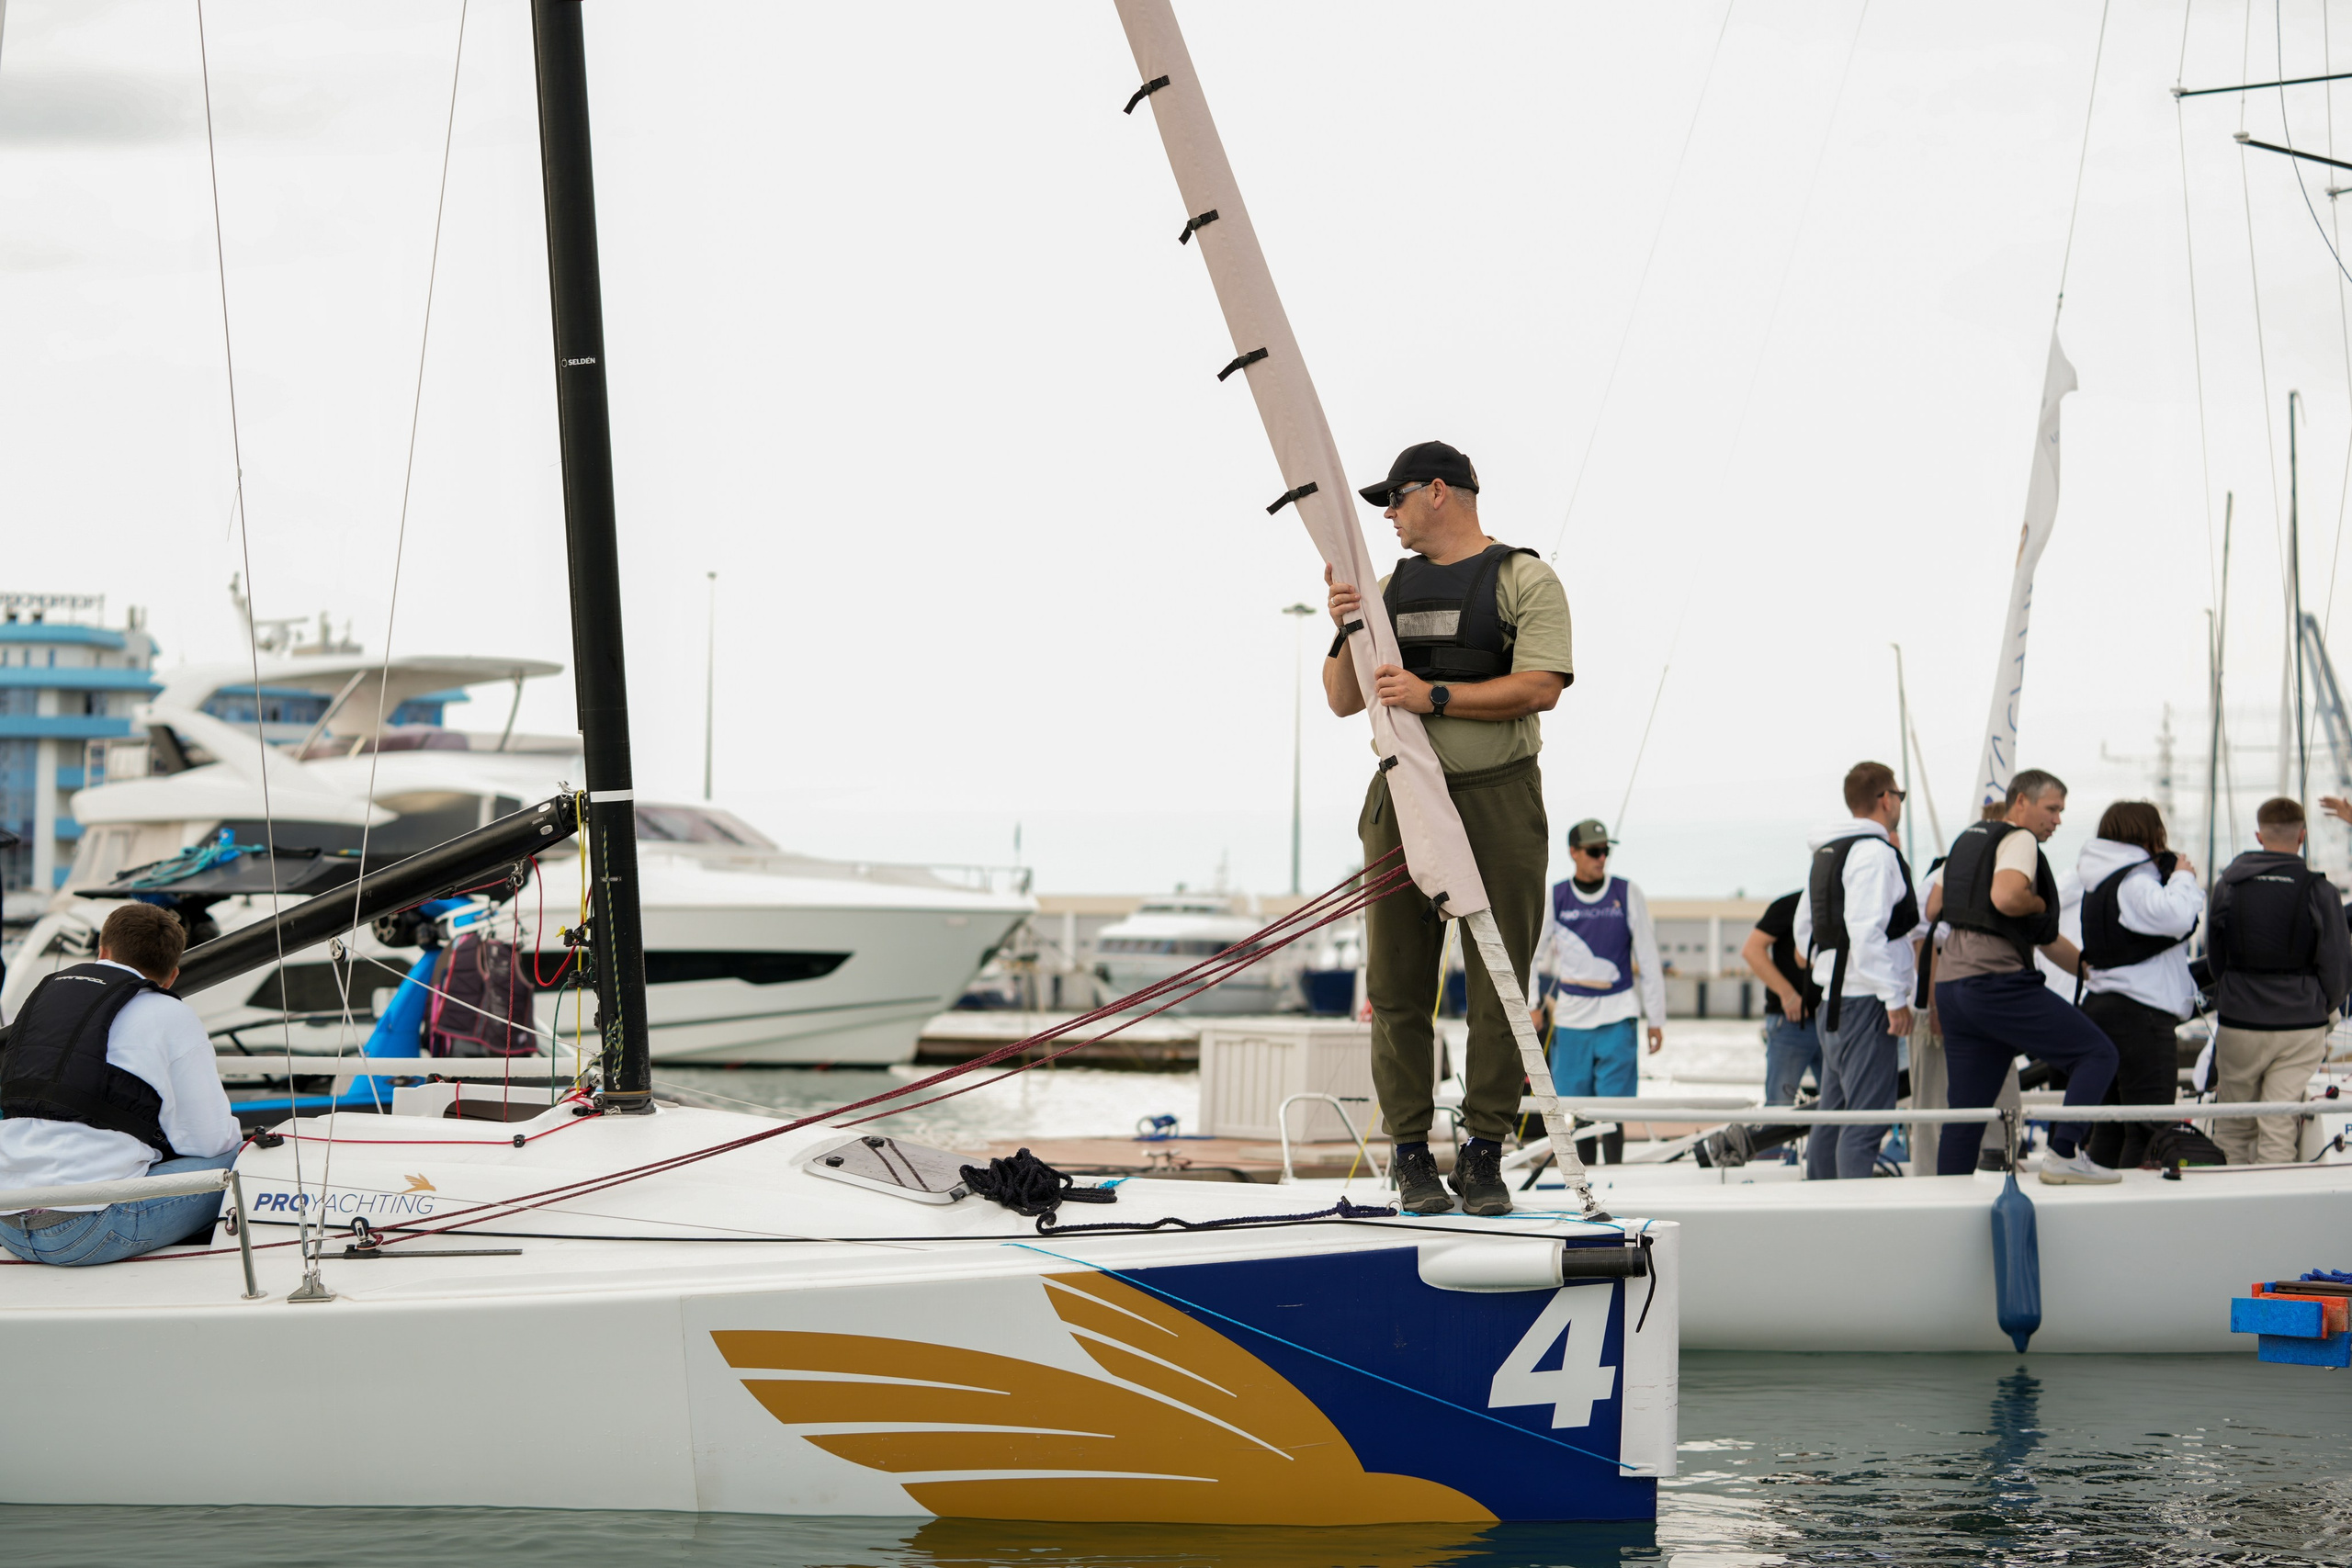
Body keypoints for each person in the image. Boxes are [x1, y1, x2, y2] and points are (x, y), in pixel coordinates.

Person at [1326, 440, 1573, 1217]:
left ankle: (1483, 1149)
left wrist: (1434, 695)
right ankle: (1409, 1153)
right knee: (1396, 986)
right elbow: (1341, 698)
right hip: (1401, 795)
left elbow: (1541, 686)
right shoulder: (1385, 587)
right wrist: (1344, 626)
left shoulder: (1524, 577)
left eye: (1394, 499)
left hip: (1497, 797)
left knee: (1500, 981)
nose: (1388, 517)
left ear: (1440, 491)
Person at [0, 903, 244, 1265]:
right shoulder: (170, 1013)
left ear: (103, 951)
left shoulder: (42, 996)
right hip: (86, 1233)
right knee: (237, 1158)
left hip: (7, 1225)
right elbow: (210, 1140)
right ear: (172, 976)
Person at [1927, 768, 2118, 1183]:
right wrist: (2035, 904)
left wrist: (2087, 967)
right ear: (2021, 803)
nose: (2057, 820)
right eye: (2051, 809)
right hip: (1993, 982)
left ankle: (1945, 1198)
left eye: (2061, 811)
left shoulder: (1966, 843)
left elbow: (1931, 909)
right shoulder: (2019, 840)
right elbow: (2007, 898)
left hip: (1953, 989)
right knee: (2098, 1054)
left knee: (1967, 1114)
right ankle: (2064, 1153)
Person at [2206, 796, 2352, 1166]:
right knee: (2279, 1122)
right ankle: (2273, 1204)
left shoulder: (2228, 886)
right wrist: (2323, 1005)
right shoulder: (2319, 890)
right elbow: (2337, 964)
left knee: (2233, 1123)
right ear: (2302, 836)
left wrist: (2233, 992)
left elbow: (2215, 956)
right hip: (2300, 1023)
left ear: (2259, 835)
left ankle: (2231, 1203)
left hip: (2240, 1021)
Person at [1792, 761, 1919, 1179]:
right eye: (1899, 795)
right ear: (1886, 799)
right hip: (1865, 1001)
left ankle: (1822, 1205)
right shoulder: (1875, 854)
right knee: (1866, 1121)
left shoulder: (1826, 854)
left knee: (1834, 1112)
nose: (1899, 803)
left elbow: (1803, 932)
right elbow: (1866, 933)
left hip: (1832, 1002)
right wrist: (1895, 999)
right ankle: (1853, 1216)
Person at [2075, 801, 2202, 1169]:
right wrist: (2182, 876)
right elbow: (2178, 916)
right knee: (2148, 1130)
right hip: (2141, 1016)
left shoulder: (2098, 879)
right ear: (2149, 833)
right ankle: (2133, 1218)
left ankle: (2100, 1207)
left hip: (2103, 1008)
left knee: (2110, 1128)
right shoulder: (2134, 880)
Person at [1534, 818, 1666, 1166]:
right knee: (1578, 1108)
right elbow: (1533, 954)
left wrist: (1656, 1018)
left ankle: (1615, 1176)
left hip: (1618, 1013)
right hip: (1573, 1018)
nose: (1601, 858)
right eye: (1594, 851)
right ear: (1574, 853)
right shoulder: (1557, 896)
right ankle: (1587, 1180)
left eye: (1605, 851)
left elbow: (1649, 958)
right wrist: (1532, 1004)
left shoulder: (1627, 892)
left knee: (1613, 1109)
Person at [1742, 888, 1824, 1106]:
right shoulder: (1791, 904)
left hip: (1836, 1023)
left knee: (1838, 1105)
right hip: (1791, 1023)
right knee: (1779, 1105)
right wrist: (1787, 994)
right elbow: (1752, 950)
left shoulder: (1845, 904)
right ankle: (1776, 1142)